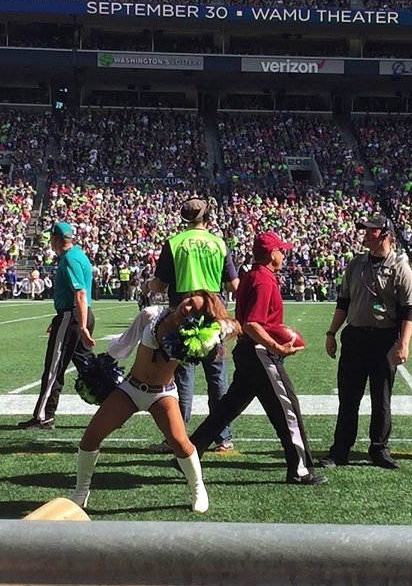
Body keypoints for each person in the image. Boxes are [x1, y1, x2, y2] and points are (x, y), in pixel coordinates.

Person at [69, 291, 237, 513]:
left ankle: (198, 489)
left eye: (195, 310)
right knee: (90, 437)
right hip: (131, 389)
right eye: (189, 301)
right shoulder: (152, 314)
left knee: (180, 442)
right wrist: (103, 363)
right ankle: (81, 492)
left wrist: (218, 327)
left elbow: (230, 326)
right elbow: (125, 342)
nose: (187, 308)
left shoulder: (196, 336)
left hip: (162, 394)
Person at [189, 231, 325, 485]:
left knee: (227, 409)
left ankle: (188, 454)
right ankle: (300, 469)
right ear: (272, 254)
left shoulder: (252, 275)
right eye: (280, 250)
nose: (283, 254)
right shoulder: (263, 280)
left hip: (248, 352)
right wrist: (277, 346)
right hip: (260, 353)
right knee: (287, 409)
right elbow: (252, 324)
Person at [320, 214, 412, 470]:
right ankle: (340, 449)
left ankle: (379, 449)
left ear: (386, 235)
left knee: (381, 398)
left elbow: (409, 310)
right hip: (355, 336)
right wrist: (331, 333)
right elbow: (343, 301)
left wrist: (404, 343)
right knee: (348, 397)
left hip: (384, 338)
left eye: (371, 231)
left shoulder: (400, 267)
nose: (365, 234)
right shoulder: (356, 264)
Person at [142, 198, 239, 452]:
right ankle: (223, 437)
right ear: (207, 217)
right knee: (217, 378)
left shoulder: (175, 243)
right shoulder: (218, 243)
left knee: (182, 379)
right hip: (214, 314)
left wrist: (146, 286)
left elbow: (160, 284)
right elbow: (233, 285)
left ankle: (177, 437)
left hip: (182, 314)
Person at [19, 222, 95, 429]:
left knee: (54, 367)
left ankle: (44, 415)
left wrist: (80, 325)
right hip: (76, 314)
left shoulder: (69, 258)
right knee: (88, 367)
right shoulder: (77, 255)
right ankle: (115, 408)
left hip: (73, 315)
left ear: (55, 239)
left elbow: (79, 292)